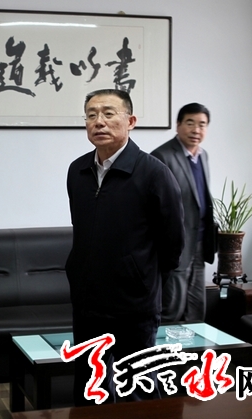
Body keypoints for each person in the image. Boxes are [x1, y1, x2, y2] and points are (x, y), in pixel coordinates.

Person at [65, 89, 184, 405]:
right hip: (87, 300)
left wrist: (142, 277)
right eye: (91, 115)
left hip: (134, 304)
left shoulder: (154, 173)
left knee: (138, 389)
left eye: (108, 113)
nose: (98, 121)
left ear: (130, 121)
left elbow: (173, 242)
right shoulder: (77, 171)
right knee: (91, 386)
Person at [151, 103, 216, 323]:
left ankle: (193, 346)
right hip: (176, 245)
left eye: (202, 124)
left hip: (200, 241)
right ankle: (160, 345)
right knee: (171, 307)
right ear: (178, 125)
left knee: (196, 307)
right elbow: (153, 206)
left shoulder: (203, 156)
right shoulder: (162, 156)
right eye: (190, 123)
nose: (196, 130)